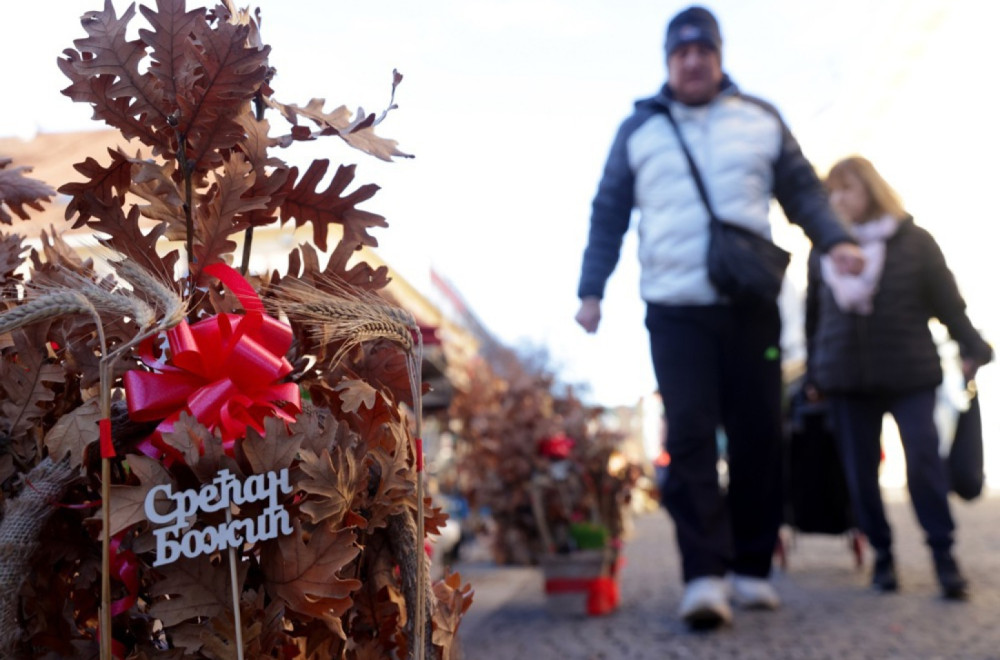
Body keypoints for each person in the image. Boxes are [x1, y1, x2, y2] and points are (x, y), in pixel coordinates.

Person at [574, 5, 865, 630]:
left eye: (703, 49)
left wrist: (835, 238)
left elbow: (803, 188)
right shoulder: (639, 130)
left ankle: (751, 569)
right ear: (667, 63)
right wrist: (591, 290)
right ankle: (704, 575)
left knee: (760, 435)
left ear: (719, 55)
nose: (693, 60)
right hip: (675, 310)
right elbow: (609, 211)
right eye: (681, 52)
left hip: (749, 306)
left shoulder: (759, 118)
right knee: (689, 439)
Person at [805, 155, 993, 600]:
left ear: (870, 188)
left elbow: (949, 303)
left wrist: (973, 346)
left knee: (925, 463)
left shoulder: (915, 242)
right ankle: (884, 557)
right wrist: (815, 372)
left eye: (846, 188)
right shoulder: (824, 251)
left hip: (910, 371)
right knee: (860, 473)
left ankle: (943, 554)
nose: (837, 199)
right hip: (846, 377)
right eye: (831, 192)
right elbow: (814, 319)